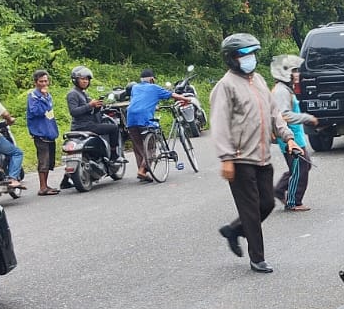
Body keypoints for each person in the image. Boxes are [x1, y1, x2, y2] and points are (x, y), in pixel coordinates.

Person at [211, 33, 304, 273]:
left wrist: (289, 139)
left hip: (262, 156)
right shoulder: (226, 86)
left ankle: (233, 230)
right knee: (251, 210)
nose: (249, 59)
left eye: (251, 54)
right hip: (240, 159)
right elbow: (220, 124)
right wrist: (226, 158)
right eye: (244, 55)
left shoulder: (259, 81)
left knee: (266, 203)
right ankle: (257, 258)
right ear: (232, 58)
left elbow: (275, 114)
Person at [124, 69, 191, 182]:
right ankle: (142, 170)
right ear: (152, 79)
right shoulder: (154, 87)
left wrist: (154, 106)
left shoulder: (135, 88)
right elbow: (172, 95)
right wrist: (186, 99)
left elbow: (140, 100)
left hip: (130, 119)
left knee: (138, 147)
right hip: (144, 118)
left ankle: (143, 173)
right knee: (150, 146)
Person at [269, 54, 317, 211]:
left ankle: (280, 190)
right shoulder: (281, 92)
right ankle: (293, 201)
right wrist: (306, 118)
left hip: (295, 137)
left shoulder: (286, 90)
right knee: (301, 166)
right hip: (290, 138)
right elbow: (284, 115)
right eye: (293, 71)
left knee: (298, 167)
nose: (297, 74)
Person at [65, 66, 122, 165]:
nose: (85, 81)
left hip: (87, 124)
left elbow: (89, 111)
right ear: (75, 80)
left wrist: (97, 106)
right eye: (82, 79)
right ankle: (114, 156)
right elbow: (73, 112)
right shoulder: (73, 94)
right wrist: (90, 105)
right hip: (84, 126)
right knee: (114, 128)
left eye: (87, 79)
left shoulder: (83, 93)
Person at [26, 69, 60, 195]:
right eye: (41, 81)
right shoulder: (33, 97)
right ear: (36, 82)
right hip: (40, 133)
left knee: (49, 160)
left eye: (46, 81)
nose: (44, 84)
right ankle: (42, 187)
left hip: (49, 131)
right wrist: (43, 100)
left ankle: (46, 185)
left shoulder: (48, 95)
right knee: (43, 159)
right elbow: (36, 111)